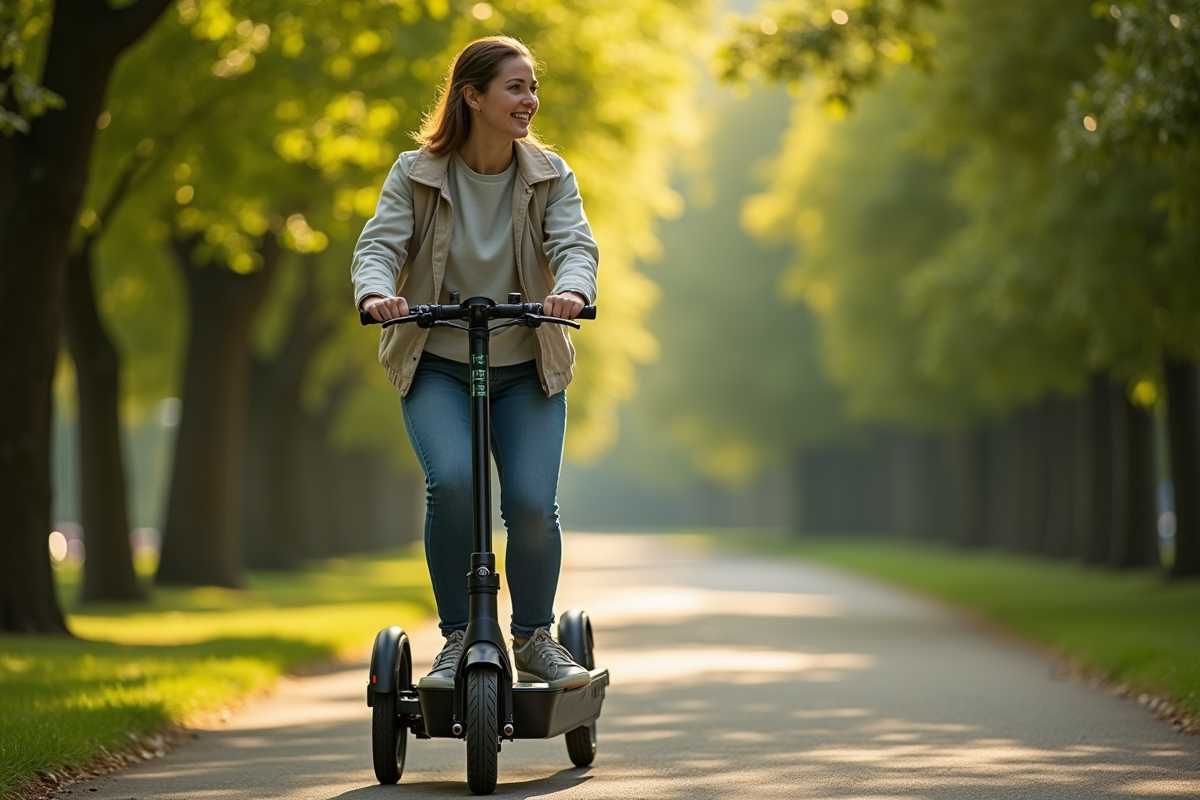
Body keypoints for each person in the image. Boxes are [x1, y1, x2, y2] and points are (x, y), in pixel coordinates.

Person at [350, 36, 596, 691]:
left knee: (532, 507)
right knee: (453, 483)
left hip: (526, 367)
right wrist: (376, 293)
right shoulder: (416, 172)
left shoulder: (550, 173)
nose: (530, 100)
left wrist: (572, 290)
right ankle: (458, 637)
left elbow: (575, 245)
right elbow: (379, 244)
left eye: (532, 87)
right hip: (437, 362)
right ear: (473, 94)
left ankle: (535, 637)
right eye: (516, 87)